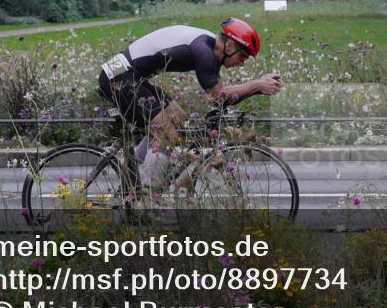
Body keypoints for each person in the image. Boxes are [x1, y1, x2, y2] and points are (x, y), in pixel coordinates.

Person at [97, 18, 283, 186]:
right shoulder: (204, 52)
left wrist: (257, 89)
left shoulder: (209, 47)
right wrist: (257, 84)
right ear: (229, 46)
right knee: (168, 133)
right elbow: (219, 97)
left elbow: (223, 100)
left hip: (128, 76)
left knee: (178, 118)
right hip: (117, 78)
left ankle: (132, 173)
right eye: (242, 55)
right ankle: (148, 194)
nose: (242, 63)